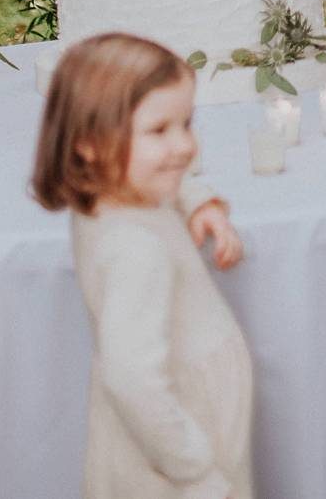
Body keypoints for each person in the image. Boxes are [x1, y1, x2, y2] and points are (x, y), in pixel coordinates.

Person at [32, 33, 253, 499]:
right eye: (159, 130)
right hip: (175, 455)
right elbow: (133, 380)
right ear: (90, 144)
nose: (184, 146)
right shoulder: (135, 249)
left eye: (186, 123)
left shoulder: (110, 192)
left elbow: (168, 181)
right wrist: (196, 474)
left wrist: (196, 203)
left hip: (174, 430)